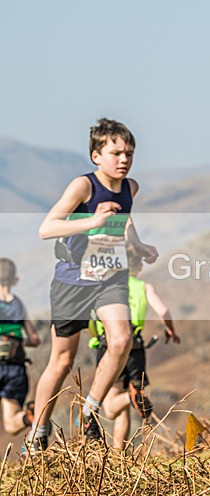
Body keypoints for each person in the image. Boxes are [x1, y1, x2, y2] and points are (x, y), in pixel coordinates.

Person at [25, 118, 158, 452]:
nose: (124, 159)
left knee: (122, 339)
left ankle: (89, 413)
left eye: (129, 153)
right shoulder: (82, 186)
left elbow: (124, 220)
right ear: (97, 155)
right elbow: (47, 228)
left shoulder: (130, 188)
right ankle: (38, 432)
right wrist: (92, 221)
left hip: (110, 278)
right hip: (72, 280)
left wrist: (137, 244)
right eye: (116, 153)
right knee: (62, 361)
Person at [89, 250, 180, 449]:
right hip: (136, 348)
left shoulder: (107, 286)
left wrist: (95, 336)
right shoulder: (144, 287)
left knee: (111, 407)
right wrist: (170, 329)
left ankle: (129, 397)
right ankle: (119, 455)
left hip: (109, 346)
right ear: (139, 266)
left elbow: (90, 318)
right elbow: (163, 311)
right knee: (124, 410)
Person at [0, 258, 40, 436]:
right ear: (15, 280)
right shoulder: (19, 305)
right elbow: (34, 339)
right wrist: (18, 342)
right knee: (10, 424)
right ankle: (29, 417)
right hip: (15, 369)